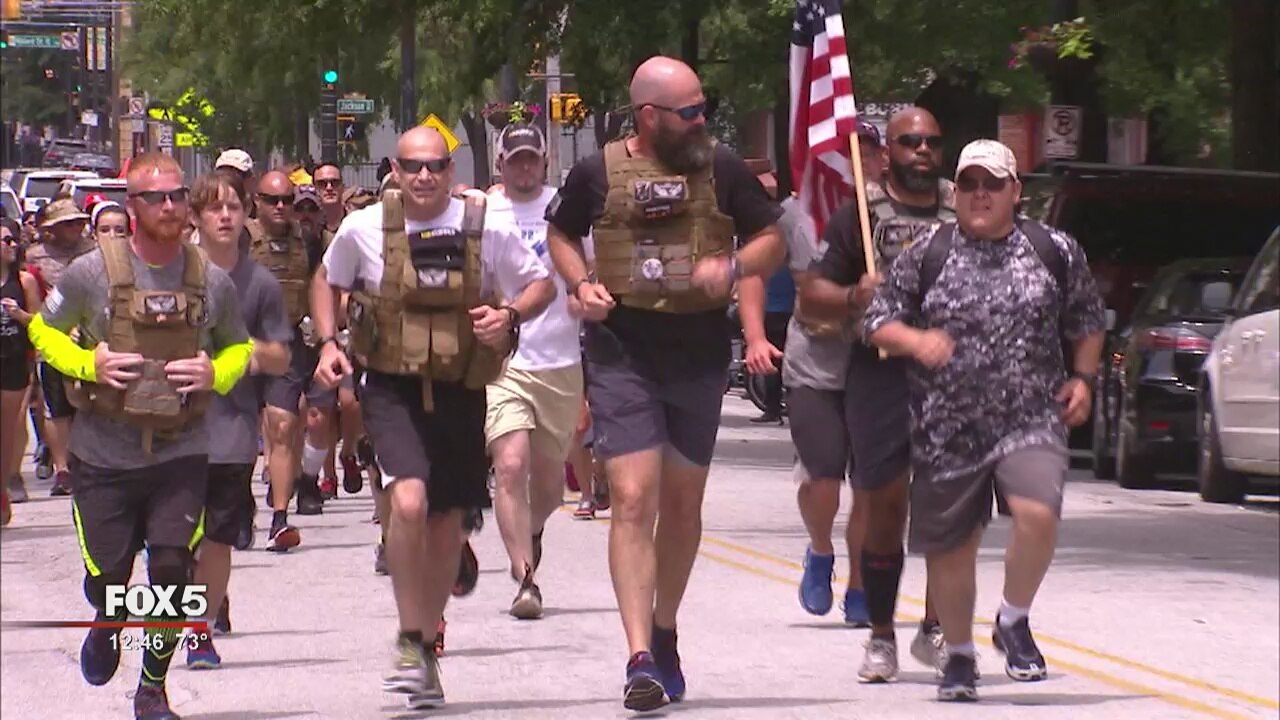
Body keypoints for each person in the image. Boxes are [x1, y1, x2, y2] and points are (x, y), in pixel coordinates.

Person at [545, 56, 784, 711]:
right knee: (631, 496)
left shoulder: (723, 167)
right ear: (649, 116)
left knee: (680, 506)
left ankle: (665, 628)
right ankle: (639, 658)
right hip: (623, 350)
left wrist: (732, 266)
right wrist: (582, 283)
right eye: (690, 111)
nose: (702, 119)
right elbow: (560, 233)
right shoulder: (596, 172)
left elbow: (771, 239)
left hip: (698, 352)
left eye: (704, 107)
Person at [312, 126, 555, 709]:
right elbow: (327, 279)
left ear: (451, 171)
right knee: (409, 501)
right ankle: (409, 637)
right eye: (413, 166)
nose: (425, 176)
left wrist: (509, 316)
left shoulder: (484, 226)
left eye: (436, 166)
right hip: (391, 386)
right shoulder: (364, 227)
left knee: (447, 524)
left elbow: (541, 285)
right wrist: (327, 342)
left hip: (460, 389)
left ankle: (426, 641)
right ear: (395, 171)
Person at [864, 139, 1104, 701]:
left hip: (1030, 418)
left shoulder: (1053, 250)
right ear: (956, 191)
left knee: (1038, 514)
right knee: (953, 548)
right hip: (946, 428)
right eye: (969, 183)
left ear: (1014, 191)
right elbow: (877, 322)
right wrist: (916, 340)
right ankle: (959, 656)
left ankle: (1013, 619)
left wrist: (1083, 378)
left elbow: (1088, 319)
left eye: (992, 184)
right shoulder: (927, 252)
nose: (979, 194)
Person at [26, 151, 252, 719]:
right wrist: (89, 364)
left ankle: (153, 687)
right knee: (110, 579)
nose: (171, 206)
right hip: (103, 455)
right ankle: (108, 619)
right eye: (157, 197)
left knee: (172, 569)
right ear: (134, 206)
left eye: (178, 195)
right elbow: (44, 331)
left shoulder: (210, 279)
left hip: (181, 451)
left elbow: (239, 347)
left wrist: (215, 373)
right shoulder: (91, 273)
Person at [800, 107, 953, 681]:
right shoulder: (860, 217)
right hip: (880, 375)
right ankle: (882, 635)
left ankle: (936, 628)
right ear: (888, 153)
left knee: (946, 508)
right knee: (885, 507)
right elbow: (811, 292)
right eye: (910, 141)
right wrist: (852, 296)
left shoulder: (963, 210)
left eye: (932, 141)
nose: (923, 150)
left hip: (951, 377)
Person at [775, 120, 883, 626]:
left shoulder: (896, 215)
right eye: (843, 152)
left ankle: (860, 584)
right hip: (814, 364)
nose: (856, 161)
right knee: (824, 479)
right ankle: (820, 550)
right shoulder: (798, 213)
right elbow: (758, 276)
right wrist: (754, 336)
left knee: (869, 486)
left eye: (867, 151)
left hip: (872, 364)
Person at [184, 171, 292, 670]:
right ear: (195, 217)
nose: (226, 216)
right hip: (170, 430)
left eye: (233, 207)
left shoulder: (261, 283)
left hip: (231, 431)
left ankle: (199, 630)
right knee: (171, 542)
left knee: (218, 536)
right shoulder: (168, 274)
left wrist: (234, 356)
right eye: (214, 207)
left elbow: (281, 357)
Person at [484, 123, 585, 620]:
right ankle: (526, 578)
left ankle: (532, 528)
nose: (523, 166)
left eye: (531, 158)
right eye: (514, 158)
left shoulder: (567, 210)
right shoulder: (484, 212)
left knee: (547, 488)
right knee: (510, 465)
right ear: (499, 163)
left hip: (559, 362)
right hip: (504, 362)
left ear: (544, 161)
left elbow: (591, 272)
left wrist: (587, 297)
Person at [250, 170, 333, 549]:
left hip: (288, 344)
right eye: (273, 200)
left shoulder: (309, 240)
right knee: (241, 434)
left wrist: (325, 334)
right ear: (258, 202)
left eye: (287, 200)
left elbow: (321, 284)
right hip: (242, 344)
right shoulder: (242, 238)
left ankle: (280, 518)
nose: (281, 207)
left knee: (283, 425)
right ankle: (239, 502)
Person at [25, 197, 95, 497]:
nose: (75, 229)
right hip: (52, 337)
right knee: (55, 408)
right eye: (68, 224)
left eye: (78, 223)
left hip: (88, 337)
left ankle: (86, 462)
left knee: (86, 403)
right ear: (52, 229)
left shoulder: (93, 251)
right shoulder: (35, 256)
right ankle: (62, 468)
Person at [0, 218, 41, 518]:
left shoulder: (24, 281)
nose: (12, 245)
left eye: (13, 240)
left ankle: (5, 484)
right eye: (6, 240)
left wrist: (19, 314)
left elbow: (40, 325)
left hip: (15, 362)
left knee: (10, 427)